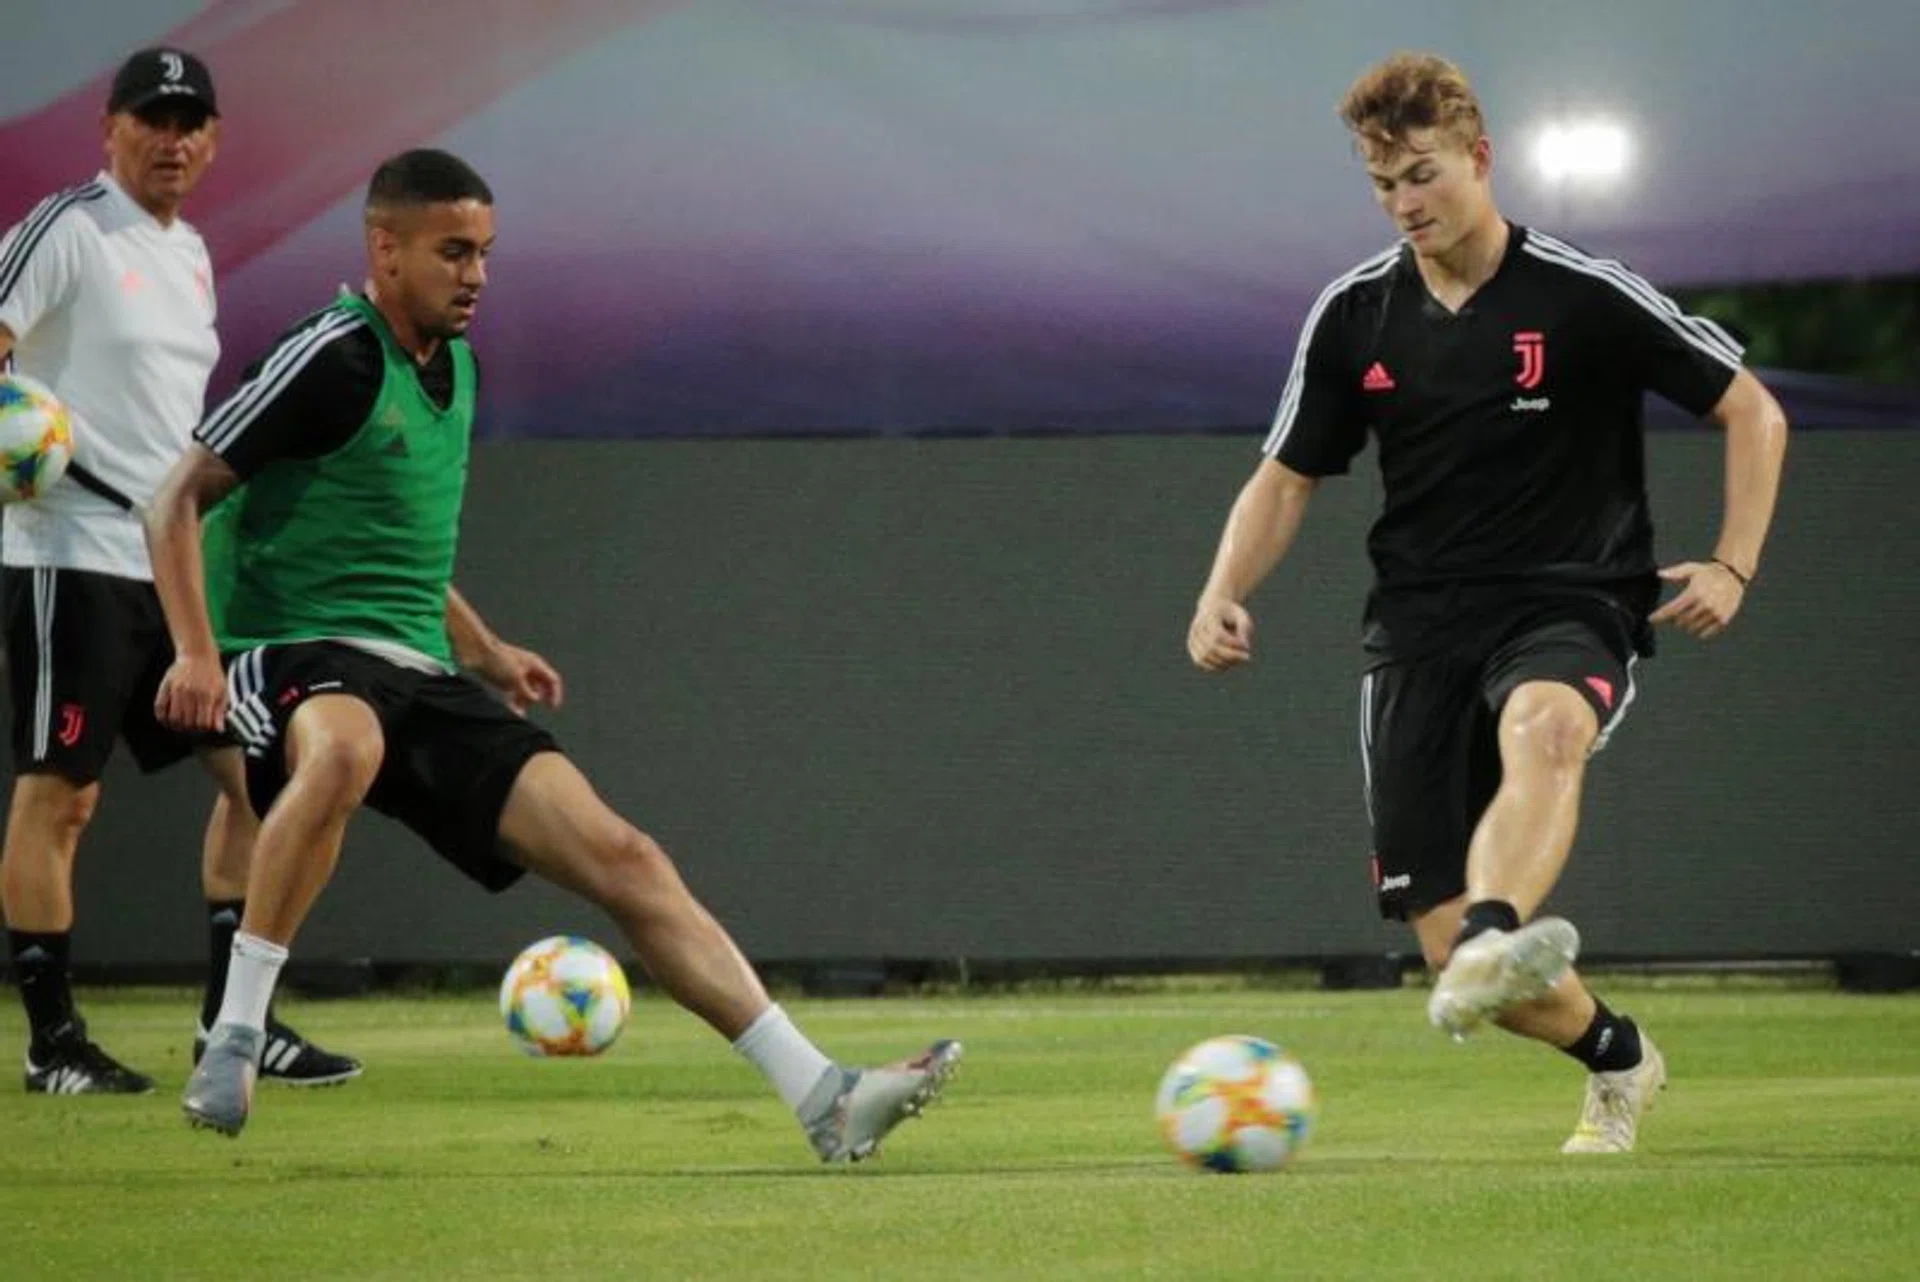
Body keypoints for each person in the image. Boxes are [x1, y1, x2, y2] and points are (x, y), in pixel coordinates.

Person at [145, 148, 961, 1155]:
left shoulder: (458, 369)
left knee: (627, 857)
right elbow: (173, 499)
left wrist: (484, 648)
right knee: (345, 748)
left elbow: (389, 539)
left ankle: (824, 1095)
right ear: (385, 250)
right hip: (285, 647)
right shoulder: (330, 353)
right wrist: (194, 654)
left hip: (416, 671)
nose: (477, 274)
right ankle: (235, 1033)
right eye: (453, 252)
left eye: (485, 252)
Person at [1186, 52, 1786, 1153]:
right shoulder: (1355, 314)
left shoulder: (1582, 292)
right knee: (1446, 953)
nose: (1405, 203)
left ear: (1480, 158)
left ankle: (1498, 926)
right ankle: (1616, 1053)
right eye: (1384, 185)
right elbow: (1286, 476)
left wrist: (1733, 564)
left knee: (1544, 730)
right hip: (1418, 632)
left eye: (1422, 174)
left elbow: (1754, 410)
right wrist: (1222, 588)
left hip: (1572, 602)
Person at [0, 47, 358, 1094]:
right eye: (152, 118)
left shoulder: (190, 252)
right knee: (62, 797)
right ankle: (52, 1043)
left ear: (213, 140)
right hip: (69, 549)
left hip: (172, 561)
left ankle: (231, 1023)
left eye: (189, 121)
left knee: (259, 776)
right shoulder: (68, 228)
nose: (172, 139)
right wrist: (20, 443)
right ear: (108, 128)